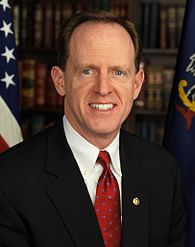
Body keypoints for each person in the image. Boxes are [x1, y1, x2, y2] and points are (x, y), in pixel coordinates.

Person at [0, 10, 186, 247]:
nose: (103, 88)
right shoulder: (9, 180)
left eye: (118, 72)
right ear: (60, 81)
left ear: (137, 84)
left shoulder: (163, 171)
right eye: (88, 71)